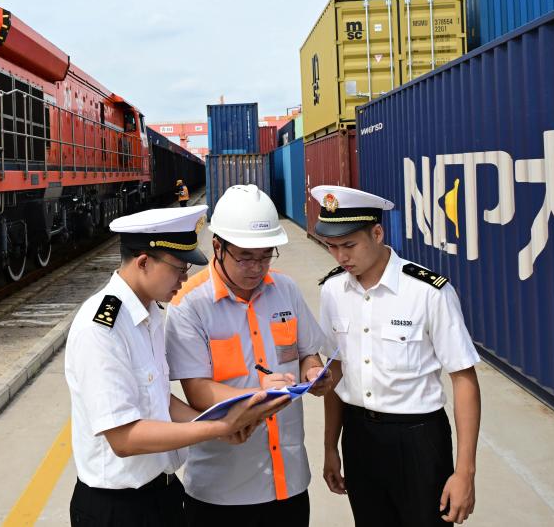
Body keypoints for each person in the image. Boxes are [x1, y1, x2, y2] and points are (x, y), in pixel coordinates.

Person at [65, 204, 288, 526]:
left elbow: (158, 399)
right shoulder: (102, 328)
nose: (185, 278)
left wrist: (215, 425)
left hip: (163, 493)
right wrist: (220, 427)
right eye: (179, 268)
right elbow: (124, 438)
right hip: (117, 508)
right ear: (144, 262)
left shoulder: (149, 314)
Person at [311, 185, 482, 526]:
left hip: (418, 439)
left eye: (349, 245)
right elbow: (336, 370)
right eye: (332, 246)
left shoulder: (428, 292)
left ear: (377, 233)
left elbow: (464, 378)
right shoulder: (333, 290)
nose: (340, 257)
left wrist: (465, 472)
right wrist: (331, 446)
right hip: (359, 436)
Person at [165, 185, 333, 526]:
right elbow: (197, 391)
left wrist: (314, 372)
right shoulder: (189, 305)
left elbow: (307, 354)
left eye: (266, 255)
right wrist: (261, 394)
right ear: (218, 246)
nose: (257, 267)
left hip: (288, 483)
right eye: (245, 256)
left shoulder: (285, 289)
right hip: (223, 491)